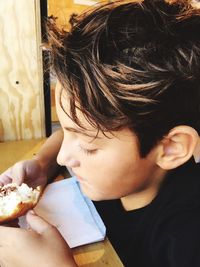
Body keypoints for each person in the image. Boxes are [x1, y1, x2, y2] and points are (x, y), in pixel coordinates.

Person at [0, 0, 200, 266]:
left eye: (88, 147)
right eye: (66, 128)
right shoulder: (116, 169)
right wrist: (42, 164)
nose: (64, 158)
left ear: (172, 148)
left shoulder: (186, 242)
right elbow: (77, 131)